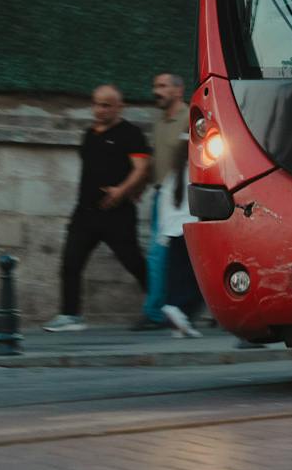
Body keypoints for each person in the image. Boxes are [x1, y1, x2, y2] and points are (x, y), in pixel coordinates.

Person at [43, 84, 152, 333]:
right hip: (85, 213)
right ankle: (70, 316)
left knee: (134, 262)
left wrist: (121, 191)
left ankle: (162, 306)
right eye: (96, 104)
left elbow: (142, 168)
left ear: (119, 107)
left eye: (106, 105)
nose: (99, 110)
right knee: (70, 262)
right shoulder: (89, 135)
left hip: (117, 214)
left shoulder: (130, 134)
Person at [133, 72, 189, 331]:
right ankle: (160, 311)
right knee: (160, 256)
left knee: (178, 257)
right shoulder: (159, 123)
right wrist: (142, 186)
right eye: (155, 86)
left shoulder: (190, 118)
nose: (157, 91)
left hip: (185, 198)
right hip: (161, 197)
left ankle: (159, 312)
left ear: (179, 91)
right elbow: (156, 160)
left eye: (163, 86)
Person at [155, 109, 205, 338]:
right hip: (192, 232)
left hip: (175, 233)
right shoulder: (197, 173)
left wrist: (163, 235)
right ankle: (179, 310)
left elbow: (164, 204)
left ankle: (180, 321)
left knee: (178, 276)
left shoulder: (173, 175)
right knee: (197, 280)